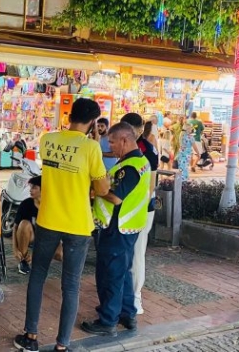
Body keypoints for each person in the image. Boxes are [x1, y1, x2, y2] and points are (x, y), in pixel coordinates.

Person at [13, 97, 109, 352]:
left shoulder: (48, 140)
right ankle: (62, 345)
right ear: (92, 123)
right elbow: (102, 188)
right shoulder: (91, 148)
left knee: (38, 276)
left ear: (69, 116)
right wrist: (94, 146)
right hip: (78, 224)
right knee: (71, 285)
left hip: (48, 220)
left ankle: (30, 336)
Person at [83, 122, 151, 336]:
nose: (110, 146)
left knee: (109, 275)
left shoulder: (129, 167)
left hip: (116, 227)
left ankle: (107, 320)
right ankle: (127, 314)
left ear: (125, 140)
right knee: (122, 273)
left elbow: (115, 196)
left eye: (112, 142)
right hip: (127, 227)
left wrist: (97, 188)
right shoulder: (139, 162)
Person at [119, 113, 158, 316]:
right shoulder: (124, 149)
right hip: (124, 210)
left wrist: (131, 206)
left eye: (131, 130)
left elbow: (150, 187)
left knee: (136, 254)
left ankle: (135, 299)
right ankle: (123, 296)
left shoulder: (148, 151)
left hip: (141, 211)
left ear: (140, 130)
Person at [12, 176, 63, 275]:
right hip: (31, 235)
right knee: (24, 225)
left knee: (60, 255)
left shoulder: (52, 206)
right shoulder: (26, 204)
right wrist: (15, 249)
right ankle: (23, 261)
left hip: (48, 237)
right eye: (30, 187)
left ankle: (38, 256)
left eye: (34, 188)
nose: (31, 190)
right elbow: (15, 227)